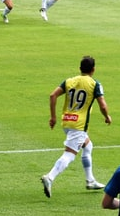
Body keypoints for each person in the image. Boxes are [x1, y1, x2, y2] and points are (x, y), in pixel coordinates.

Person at [40, 54, 111, 198]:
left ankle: (90, 180)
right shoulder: (94, 84)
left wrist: (53, 117)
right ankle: (50, 177)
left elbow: (53, 95)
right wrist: (107, 116)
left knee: (88, 145)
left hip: (66, 121)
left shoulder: (69, 81)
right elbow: (102, 105)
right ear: (93, 69)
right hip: (78, 125)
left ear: (80, 68)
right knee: (70, 154)